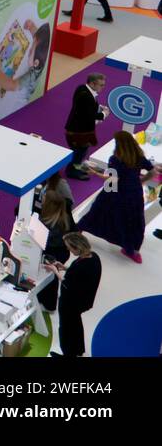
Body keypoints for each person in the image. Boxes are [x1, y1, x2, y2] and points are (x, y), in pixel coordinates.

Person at [78, 131, 156, 263]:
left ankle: (79, 229)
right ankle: (132, 250)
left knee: (98, 211)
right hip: (135, 194)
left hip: (115, 191)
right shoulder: (138, 156)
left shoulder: (115, 159)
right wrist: (140, 181)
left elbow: (112, 179)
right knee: (133, 221)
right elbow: (152, 171)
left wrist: (94, 172)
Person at [52, 232, 101, 357]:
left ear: (77, 247)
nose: (68, 250)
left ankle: (68, 353)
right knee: (75, 325)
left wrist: (55, 271)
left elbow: (67, 283)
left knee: (66, 329)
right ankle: (77, 350)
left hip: (71, 304)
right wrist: (65, 268)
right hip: (83, 301)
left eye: (69, 247)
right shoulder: (93, 257)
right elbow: (80, 276)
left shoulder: (81, 267)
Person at [63, 72, 107, 180]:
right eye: (101, 85)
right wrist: (104, 114)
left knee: (81, 151)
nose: (103, 87)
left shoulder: (82, 88)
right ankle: (72, 171)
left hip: (78, 128)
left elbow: (85, 108)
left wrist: (97, 106)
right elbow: (89, 115)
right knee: (79, 152)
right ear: (92, 84)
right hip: (78, 131)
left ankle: (75, 167)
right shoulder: (86, 96)